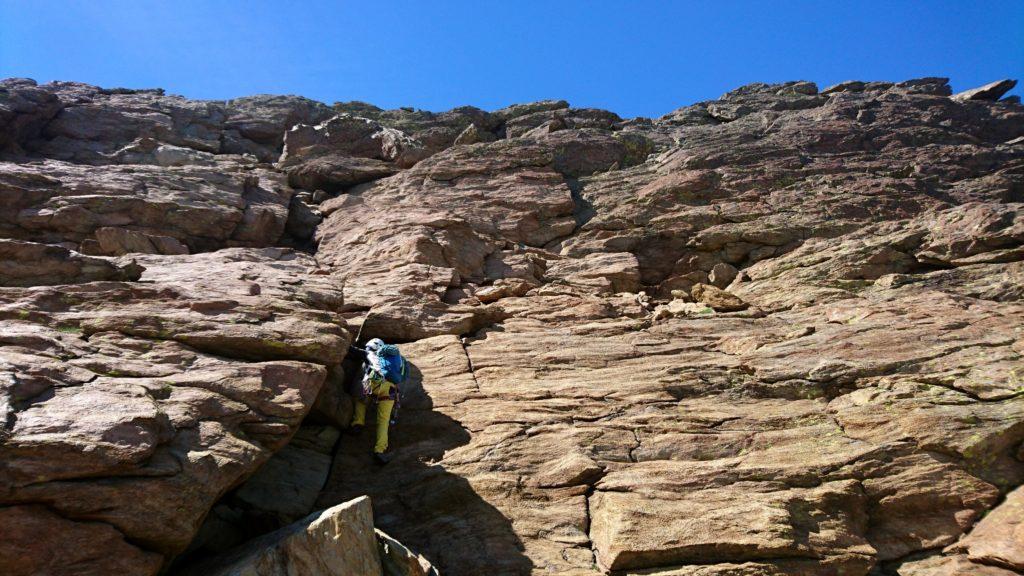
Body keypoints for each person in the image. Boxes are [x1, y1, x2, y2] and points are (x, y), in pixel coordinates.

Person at [350, 338, 407, 465]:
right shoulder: (398, 360)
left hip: (373, 383)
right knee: (384, 421)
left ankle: (358, 423)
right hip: (391, 390)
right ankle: (379, 451)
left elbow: (353, 351)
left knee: (360, 399)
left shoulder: (370, 353)